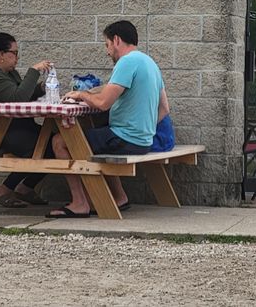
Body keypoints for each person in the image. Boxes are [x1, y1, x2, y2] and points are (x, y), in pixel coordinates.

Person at [49, 19, 169, 218]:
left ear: (116, 40)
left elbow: (103, 103)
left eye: (106, 45)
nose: (107, 51)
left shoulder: (127, 62)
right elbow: (165, 108)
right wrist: (143, 126)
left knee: (61, 141)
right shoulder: (149, 63)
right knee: (100, 138)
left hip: (125, 138)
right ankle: (119, 197)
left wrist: (81, 95)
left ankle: (80, 203)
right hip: (144, 140)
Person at [0, 31, 53, 207]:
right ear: (1, 55)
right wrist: (33, 71)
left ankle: (25, 188)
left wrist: (42, 88)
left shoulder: (9, 74)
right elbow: (18, 98)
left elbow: (23, 94)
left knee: (55, 142)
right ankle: (4, 190)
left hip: (17, 127)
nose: (17, 57)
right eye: (14, 53)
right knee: (39, 147)